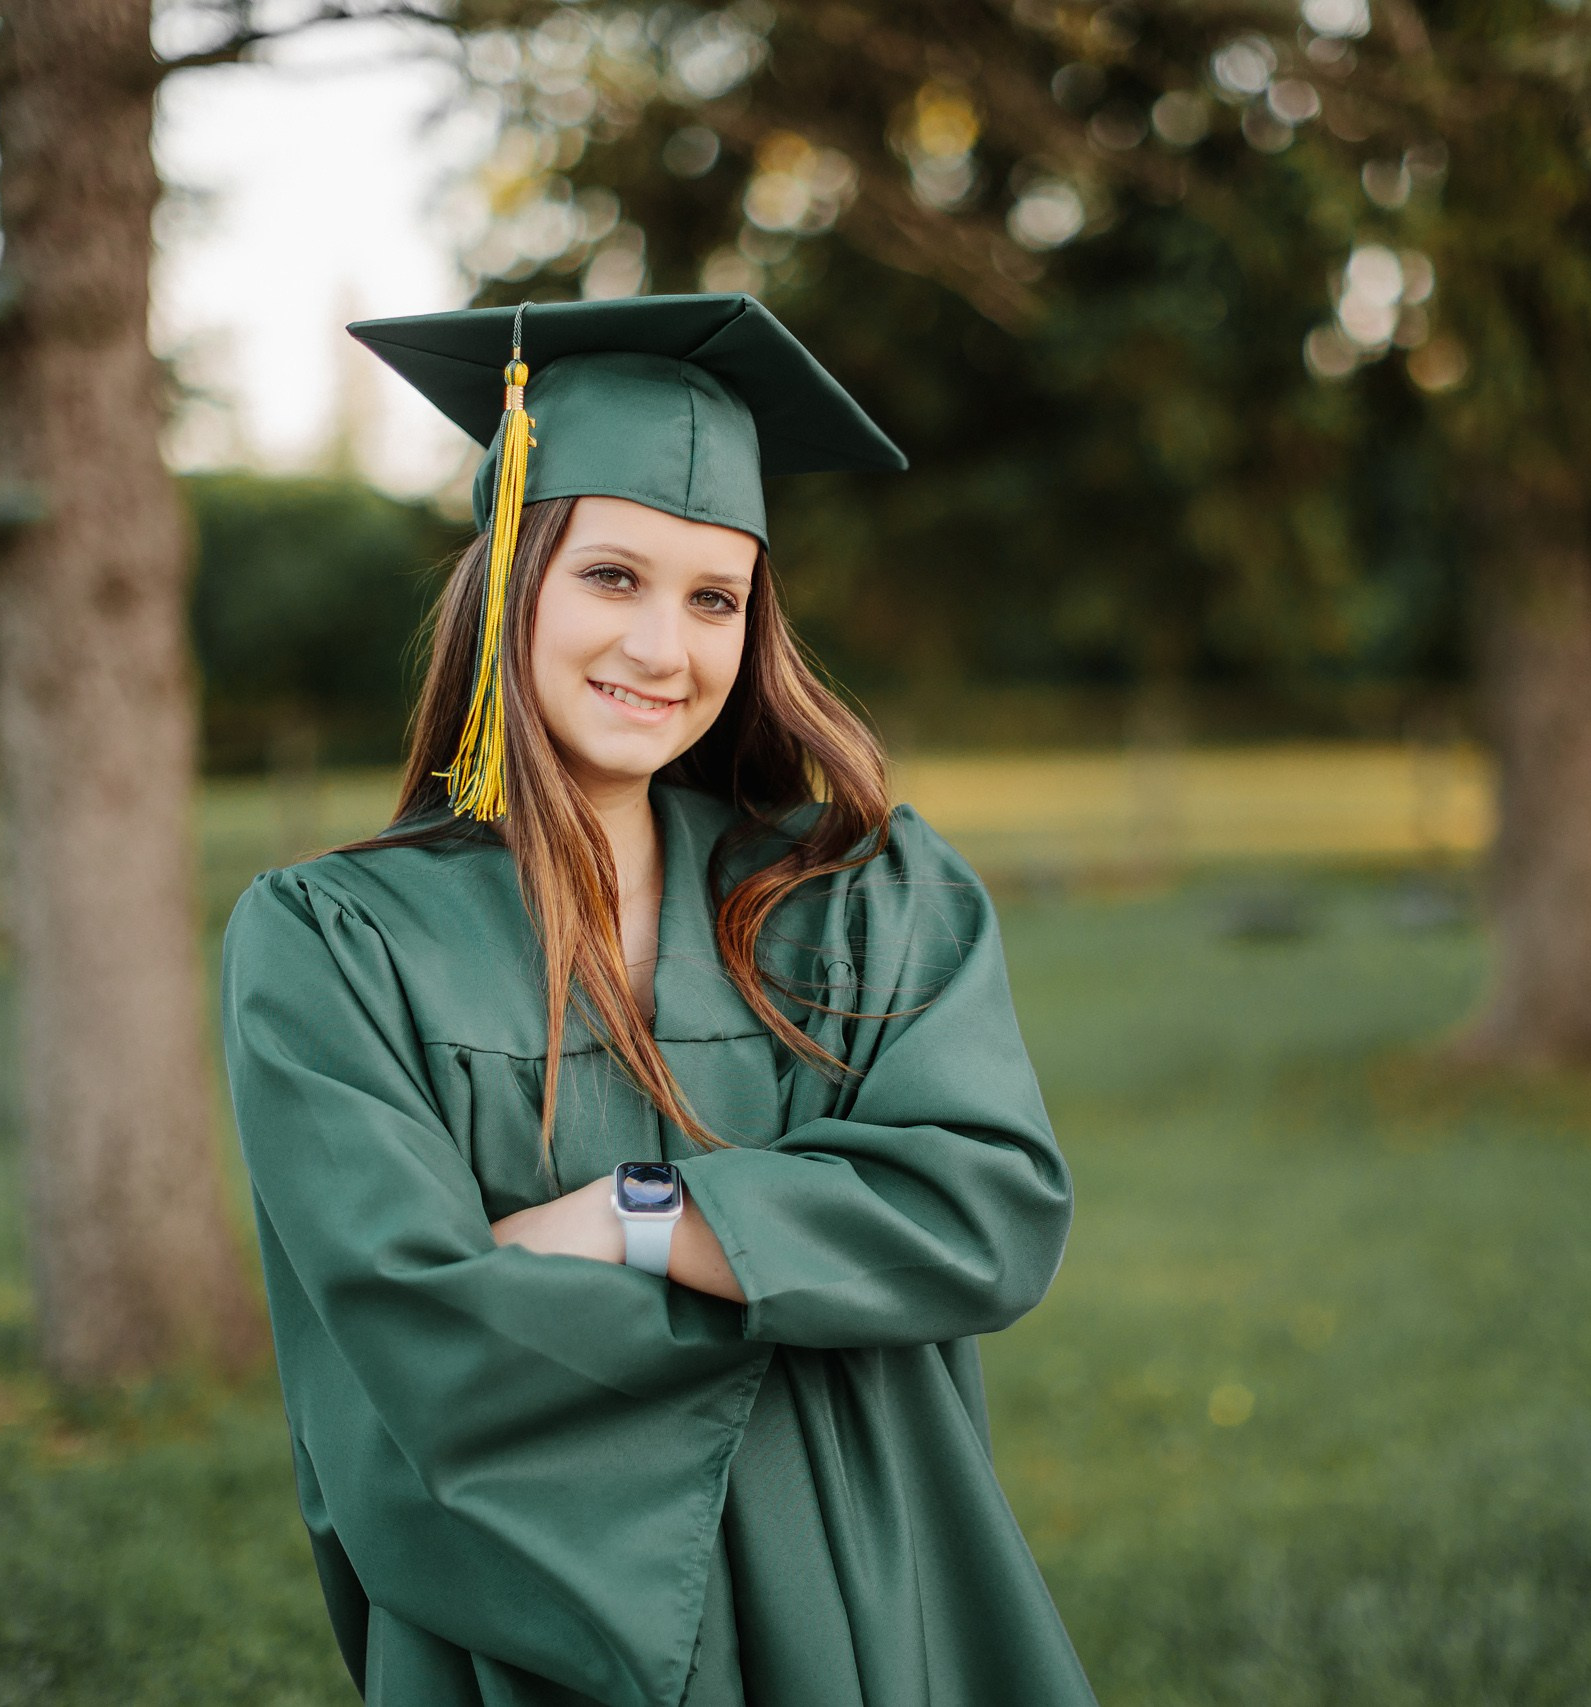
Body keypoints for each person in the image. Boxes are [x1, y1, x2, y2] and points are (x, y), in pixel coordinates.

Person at [218, 294, 1096, 1707]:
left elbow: (989, 1207)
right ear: (515, 579)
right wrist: (808, 1283)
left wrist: (641, 1220)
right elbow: (412, 1337)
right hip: (543, 1633)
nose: (664, 648)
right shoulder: (335, 943)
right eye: (613, 577)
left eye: (714, 599)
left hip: (876, 1594)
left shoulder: (858, 895)